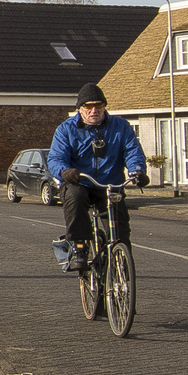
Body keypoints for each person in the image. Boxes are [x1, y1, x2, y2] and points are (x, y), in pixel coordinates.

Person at [47, 82, 149, 272]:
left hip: (110, 184)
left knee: (119, 229)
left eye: (99, 105)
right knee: (75, 197)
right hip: (80, 182)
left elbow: (132, 150)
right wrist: (65, 171)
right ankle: (79, 247)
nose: (94, 110)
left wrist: (137, 170)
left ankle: (121, 261)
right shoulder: (66, 129)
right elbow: (55, 158)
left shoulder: (120, 126)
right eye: (88, 106)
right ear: (80, 109)